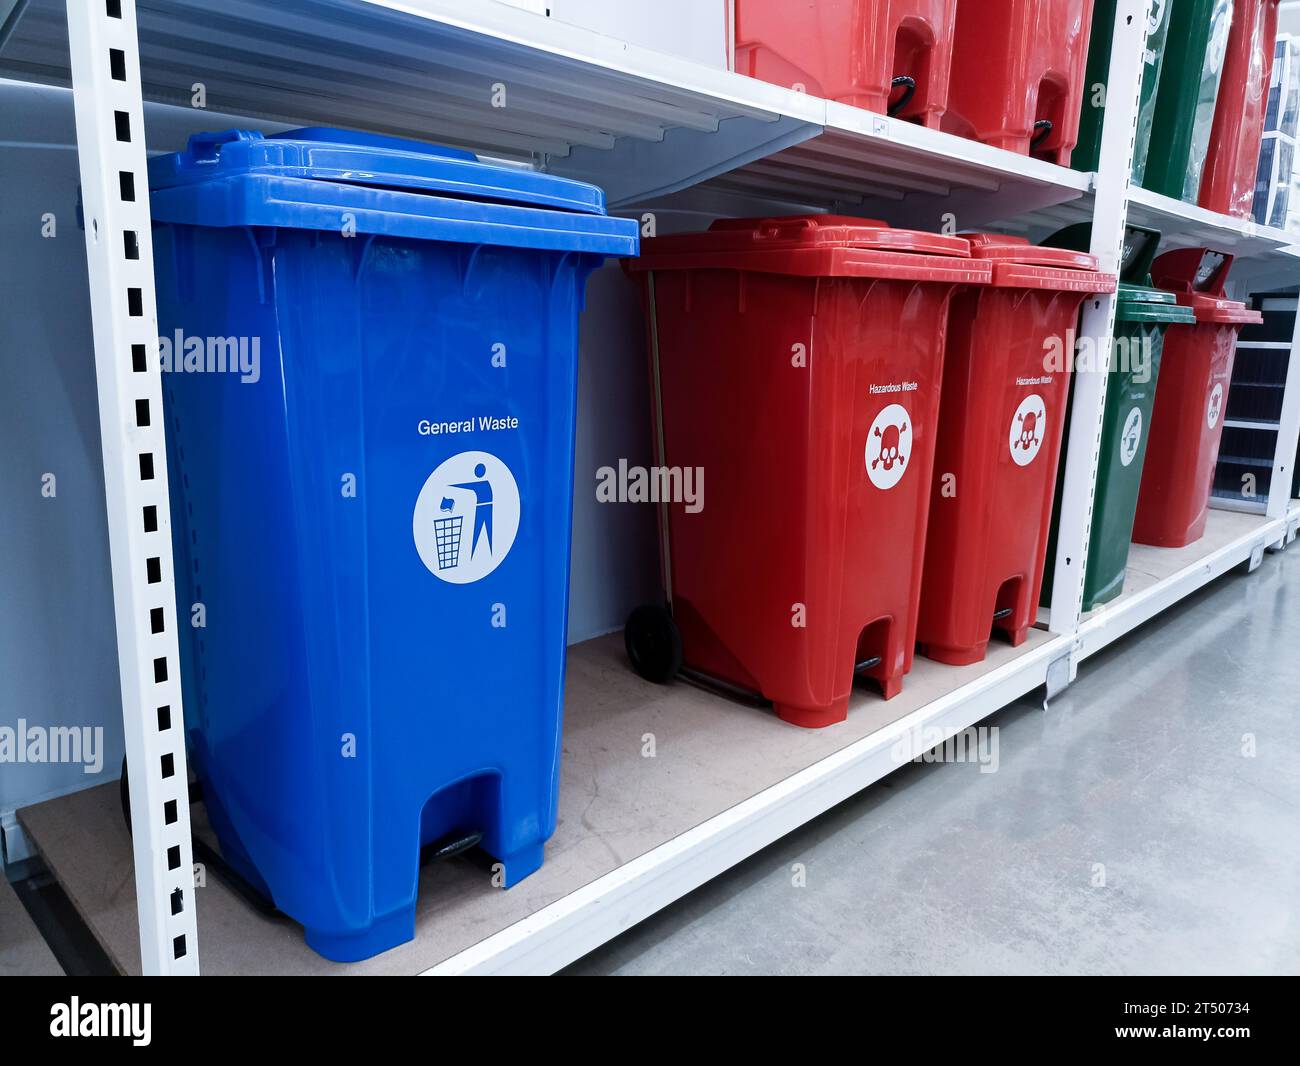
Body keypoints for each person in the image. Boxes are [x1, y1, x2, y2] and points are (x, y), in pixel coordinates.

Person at [452, 463, 494, 559]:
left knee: (481, 530)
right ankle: (474, 554)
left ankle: (478, 554)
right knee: (480, 530)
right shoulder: (485, 484)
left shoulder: (483, 484)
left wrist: (453, 485)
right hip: (482, 507)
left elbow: (469, 485)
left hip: (484, 508)